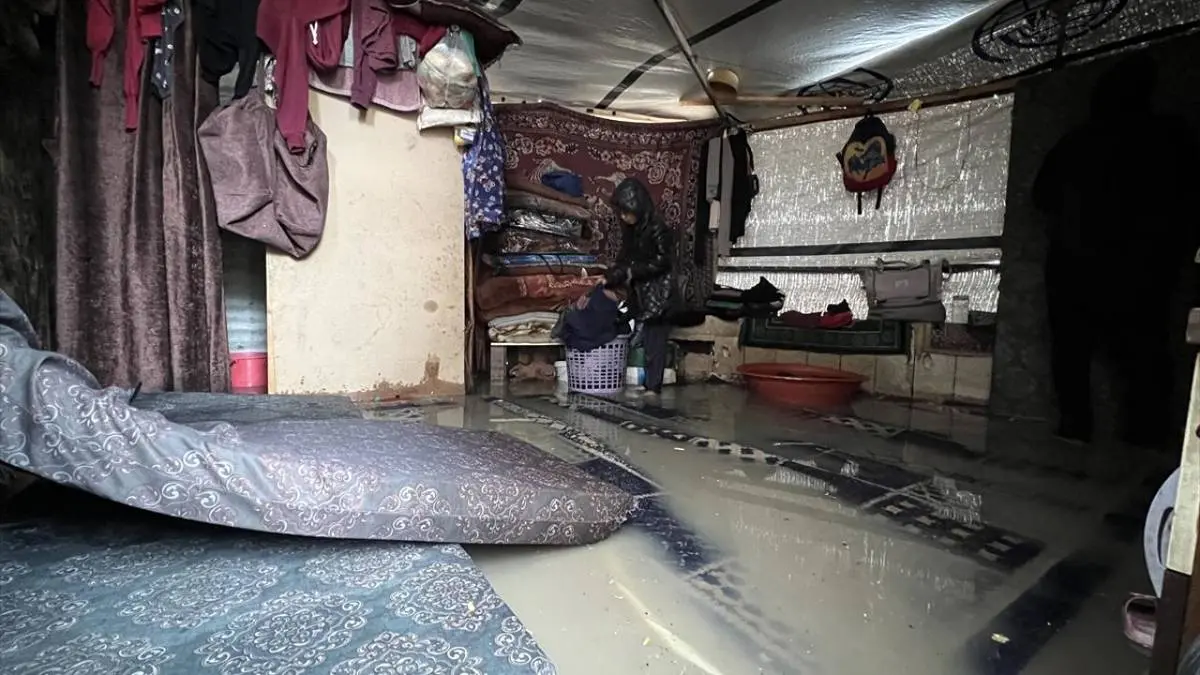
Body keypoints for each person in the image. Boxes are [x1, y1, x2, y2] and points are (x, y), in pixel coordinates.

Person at [1032, 51, 1199, 447]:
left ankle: (1077, 429)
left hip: (1078, 264)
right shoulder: (1167, 135)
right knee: (1142, 356)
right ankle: (1143, 439)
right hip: (1139, 267)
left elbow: (1042, 197)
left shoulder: (1077, 142)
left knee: (1075, 353)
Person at [603, 178, 676, 398]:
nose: (623, 217)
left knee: (655, 340)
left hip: (659, 292)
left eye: (626, 212)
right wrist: (612, 276)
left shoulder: (658, 229)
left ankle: (653, 386)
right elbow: (624, 260)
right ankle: (648, 384)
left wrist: (631, 272)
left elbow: (663, 262)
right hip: (642, 291)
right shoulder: (632, 231)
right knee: (644, 339)